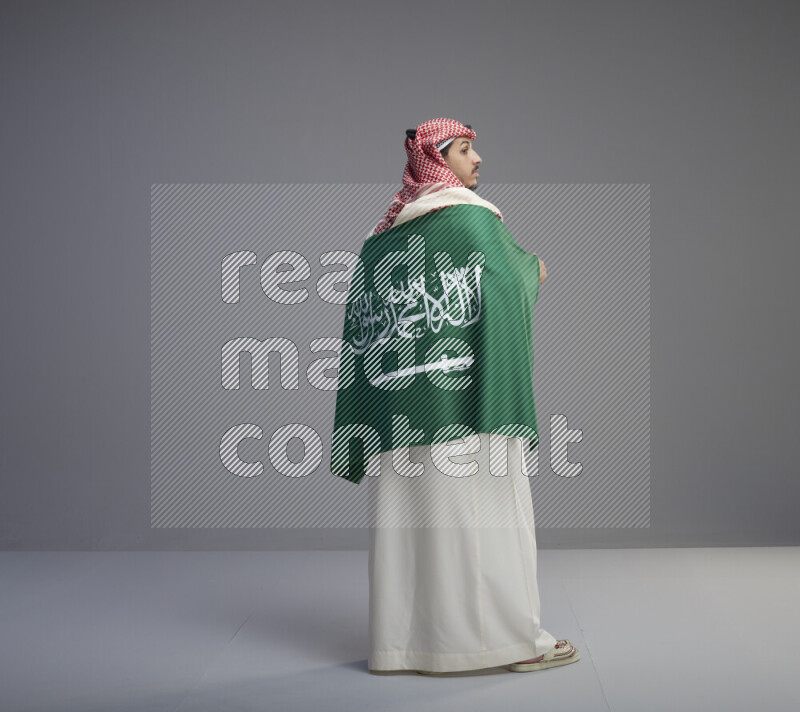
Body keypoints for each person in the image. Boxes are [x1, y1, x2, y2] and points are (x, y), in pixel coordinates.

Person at [361, 118, 581, 675]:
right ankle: (509, 641)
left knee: (412, 528)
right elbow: (508, 284)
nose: (477, 159)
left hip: (406, 411)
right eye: (463, 149)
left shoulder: (385, 237)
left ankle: (405, 647)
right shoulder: (471, 220)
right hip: (471, 408)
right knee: (486, 521)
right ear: (438, 159)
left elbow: (367, 317)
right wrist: (535, 268)